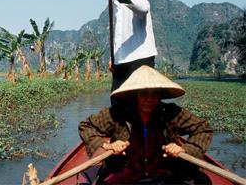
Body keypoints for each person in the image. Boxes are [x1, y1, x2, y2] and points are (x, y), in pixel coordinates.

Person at [78, 65, 213, 184]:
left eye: (155, 94)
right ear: (135, 95)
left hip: (164, 172)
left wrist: (185, 149)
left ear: (160, 95)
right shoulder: (118, 113)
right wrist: (107, 145)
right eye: (144, 94)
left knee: (200, 181)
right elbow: (86, 126)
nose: (150, 99)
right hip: (126, 172)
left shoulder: (170, 112)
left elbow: (203, 128)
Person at [98, 0, 158, 92]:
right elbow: (119, 35)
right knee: (118, 99)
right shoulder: (115, 5)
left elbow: (143, 9)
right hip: (121, 61)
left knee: (140, 99)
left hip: (140, 58)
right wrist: (113, 57)